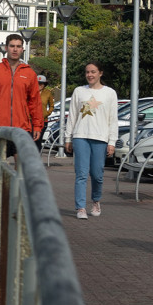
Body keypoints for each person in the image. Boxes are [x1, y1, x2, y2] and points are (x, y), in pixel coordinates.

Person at [0, 33, 43, 159]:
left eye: (18, 46)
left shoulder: (29, 74)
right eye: (12, 46)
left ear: (22, 49)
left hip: (21, 128)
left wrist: (37, 125)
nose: (15, 49)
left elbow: (35, 102)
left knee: (21, 169)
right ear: (6, 48)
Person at [63, 61, 119, 219]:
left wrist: (112, 142)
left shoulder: (110, 93)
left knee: (97, 174)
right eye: (87, 72)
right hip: (81, 136)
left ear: (100, 73)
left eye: (93, 72)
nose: (90, 75)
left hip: (100, 138)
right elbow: (72, 115)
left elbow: (113, 120)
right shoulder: (79, 91)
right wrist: (68, 138)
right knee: (81, 173)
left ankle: (96, 200)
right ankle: (80, 207)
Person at [35, 74, 55, 152]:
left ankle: (37, 158)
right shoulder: (31, 92)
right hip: (31, 120)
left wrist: (47, 113)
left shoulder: (48, 93)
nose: (39, 85)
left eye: (41, 83)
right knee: (31, 139)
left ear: (44, 85)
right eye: (37, 83)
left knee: (38, 140)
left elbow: (52, 106)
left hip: (43, 120)